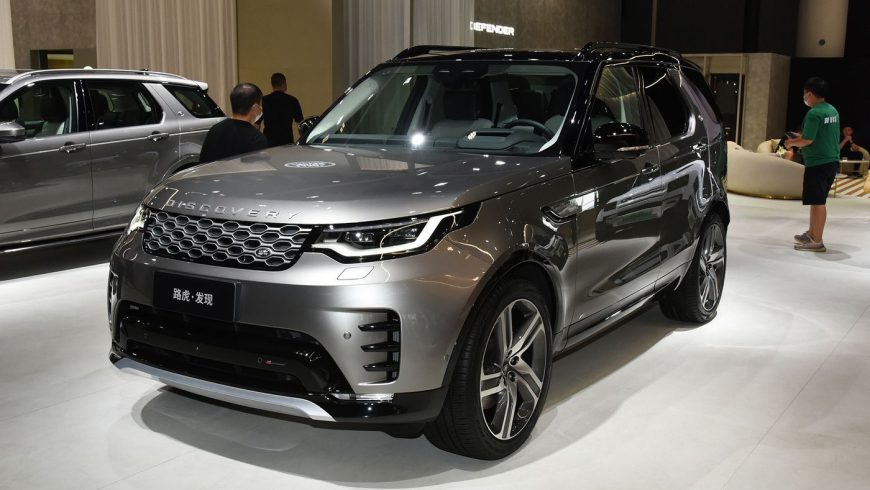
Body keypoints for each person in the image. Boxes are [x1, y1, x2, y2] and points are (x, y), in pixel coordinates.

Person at [786, 77, 840, 253]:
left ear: (810, 93)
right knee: (816, 200)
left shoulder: (814, 113)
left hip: (818, 162)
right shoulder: (832, 110)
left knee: (817, 202)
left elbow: (807, 140)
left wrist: (791, 142)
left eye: (805, 93)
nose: (804, 97)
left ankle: (817, 241)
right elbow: (821, 135)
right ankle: (812, 233)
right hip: (831, 161)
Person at [199, 83, 268, 163]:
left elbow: (203, 163)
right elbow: (258, 169)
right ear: (255, 108)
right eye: (260, 105)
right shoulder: (257, 139)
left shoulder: (214, 130)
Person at [262, 72, 303, 147]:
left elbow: (257, 124)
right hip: (286, 142)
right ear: (284, 83)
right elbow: (300, 123)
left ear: (272, 85)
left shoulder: (264, 101)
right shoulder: (292, 100)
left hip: (269, 142)